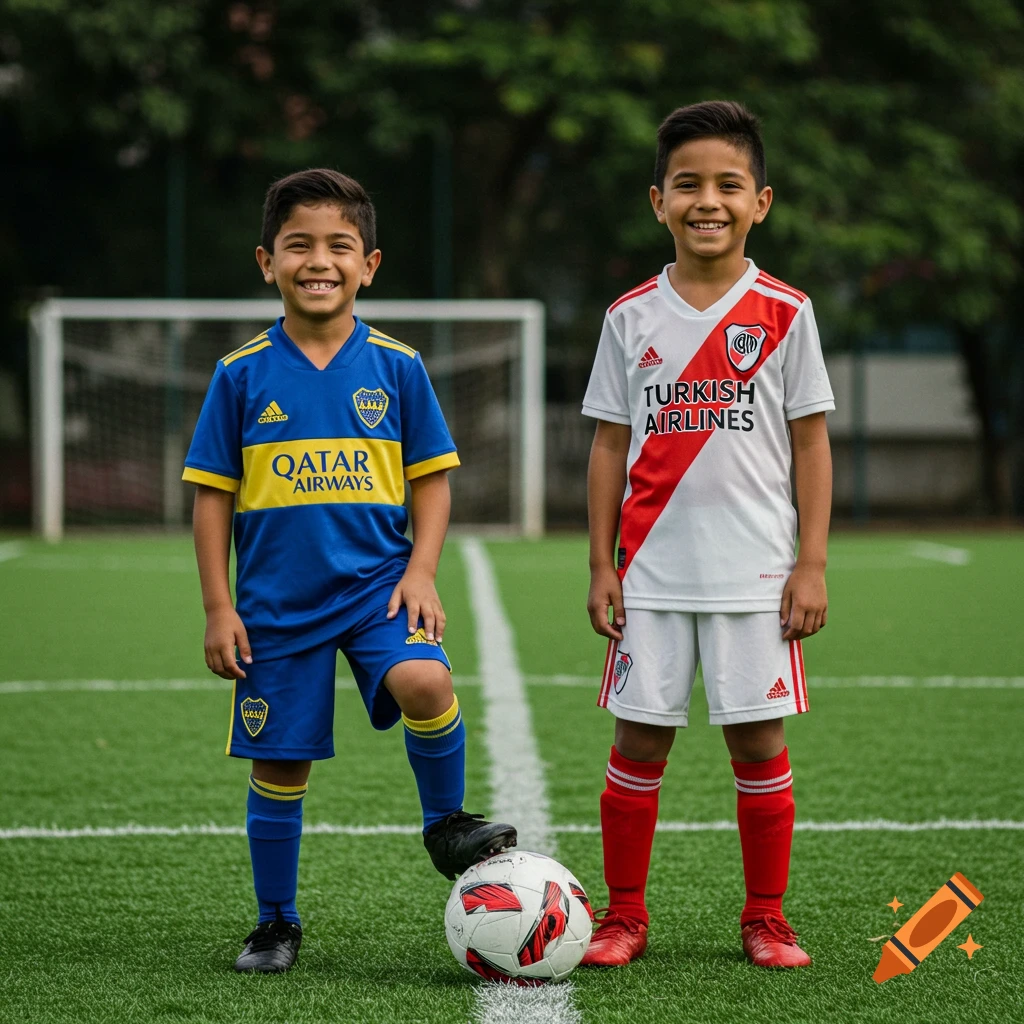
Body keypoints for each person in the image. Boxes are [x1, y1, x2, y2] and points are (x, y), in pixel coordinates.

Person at [182, 168, 516, 974]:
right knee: (280, 764)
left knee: (426, 682)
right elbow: (211, 500)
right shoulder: (239, 374)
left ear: (369, 264)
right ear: (268, 261)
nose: (319, 260)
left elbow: (431, 481)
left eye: (339, 245)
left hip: (378, 589)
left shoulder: (397, 365)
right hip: (276, 607)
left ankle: (445, 823)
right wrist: (219, 608)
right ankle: (275, 922)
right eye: (299, 244)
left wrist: (422, 571)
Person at [581, 101, 833, 969]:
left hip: (756, 575)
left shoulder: (785, 311)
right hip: (649, 575)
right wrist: (602, 564)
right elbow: (608, 445)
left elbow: (811, 442)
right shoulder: (629, 316)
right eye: (688, 185)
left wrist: (811, 562)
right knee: (638, 742)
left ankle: (766, 917)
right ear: (660, 202)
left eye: (730, 184)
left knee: (758, 743)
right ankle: (623, 916)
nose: (708, 201)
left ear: (761, 202)